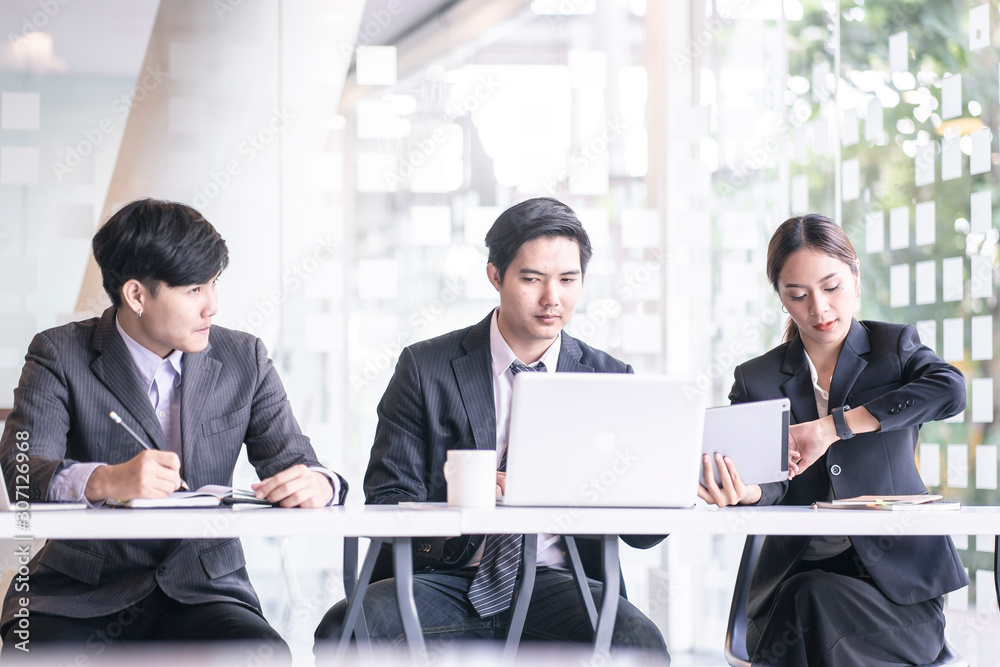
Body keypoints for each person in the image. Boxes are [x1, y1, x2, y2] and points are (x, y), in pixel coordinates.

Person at [314, 197, 668, 659]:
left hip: (556, 582)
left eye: (568, 280)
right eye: (532, 279)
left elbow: (646, 534)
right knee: (350, 629)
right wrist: (471, 493)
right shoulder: (427, 367)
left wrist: (653, 478)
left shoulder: (609, 379)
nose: (552, 299)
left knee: (639, 644)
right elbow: (385, 499)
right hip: (442, 579)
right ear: (495, 276)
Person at [0, 198, 347, 661]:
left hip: (205, 591)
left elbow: (295, 460)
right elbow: (23, 473)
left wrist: (320, 484)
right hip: (79, 594)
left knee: (260, 656)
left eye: (214, 284)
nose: (213, 307)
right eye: (194, 290)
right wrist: (108, 480)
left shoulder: (244, 359)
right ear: (137, 295)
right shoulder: (59, 353)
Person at [699, 214, 967, 666]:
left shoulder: (894, 349)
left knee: (810, 604)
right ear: (782, 299)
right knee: (808, 600)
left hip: (897, 600)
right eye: (798, 295)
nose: (819, 310)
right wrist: (748, 492)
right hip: (792, 586)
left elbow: (951, 390)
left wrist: (831, 427)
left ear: (855, 277)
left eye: (832, 287)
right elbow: (769, 480)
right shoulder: (757, 379)